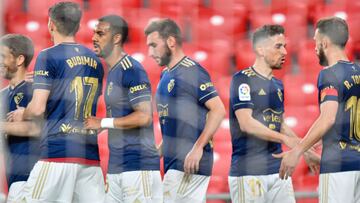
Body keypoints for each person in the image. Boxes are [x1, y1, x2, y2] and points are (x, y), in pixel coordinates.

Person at [11, 2, 105, 202]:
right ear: (78, 26)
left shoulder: (48, 55)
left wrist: (22, 113)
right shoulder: (96, 61)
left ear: (50, 24)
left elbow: (37, 108)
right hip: (89, 158)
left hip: (57, 153)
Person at [228, 24, 320, 203]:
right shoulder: (242, 79)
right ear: (260, 49)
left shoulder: (278, 85)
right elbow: (246, 123)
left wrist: (305, 150)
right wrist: (284, 140)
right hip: (248, 173)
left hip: (279, 172)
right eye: (278, 46)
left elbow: (280, 123)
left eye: (285, 46)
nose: (285, 52)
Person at [275, 16, 360, 202]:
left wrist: (297, 151)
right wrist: (318, 139)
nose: (314, 47)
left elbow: (328, 118)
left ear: (325, 42)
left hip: (339, 165)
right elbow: (344, 115)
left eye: (316, 41)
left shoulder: (329, 74)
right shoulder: (357, 71)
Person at [144, 18, 226, 203]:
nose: (149, 52)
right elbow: (175, 126)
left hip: (190, 163)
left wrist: (198, 148)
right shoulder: (166, 75)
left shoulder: (191, 71)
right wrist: (156, 153)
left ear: (171, 42)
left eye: (154, 45)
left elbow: (218, 110)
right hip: (173, 164)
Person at [85, 15, 162, 203]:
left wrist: (103, 122)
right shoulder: (113, 72)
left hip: (138, 167)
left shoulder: (131, 69)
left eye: (100, 33)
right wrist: (102, 126)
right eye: (94, 32)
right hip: (116, 168)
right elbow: (122, 114)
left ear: (117, 38)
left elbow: (144, 117)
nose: (94, 37)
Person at [0, 34, 41, 203]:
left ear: (19, 59)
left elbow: (38, 128)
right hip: (13, 179)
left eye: (2, 56)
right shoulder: (2, 95)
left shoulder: (35, 90)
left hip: (32, 177)